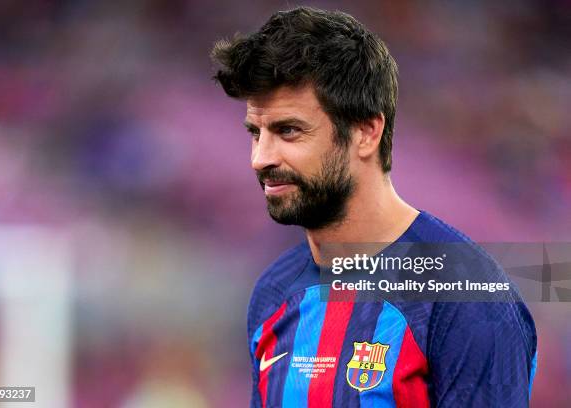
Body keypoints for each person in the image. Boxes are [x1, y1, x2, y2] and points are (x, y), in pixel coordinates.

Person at [211, 6, 537, 407]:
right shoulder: (274, 291)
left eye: (288, 131)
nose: (260, 158)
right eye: (255, 133)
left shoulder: (465, 302)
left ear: (366, 132)